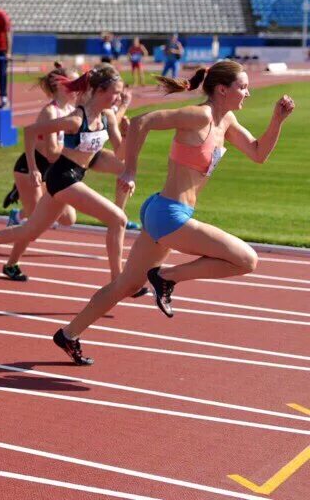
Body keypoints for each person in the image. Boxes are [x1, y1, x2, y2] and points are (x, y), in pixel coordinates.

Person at [52, 61, 295, 365]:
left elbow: (259, 153)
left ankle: (69, 334)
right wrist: (128, 170)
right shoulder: (200, 115)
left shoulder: (226, 121)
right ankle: (166, 278)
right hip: (169, 215)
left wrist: (278, 120)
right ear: (222, 90)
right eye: (242, 87)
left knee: (126, 285)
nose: (247, 92)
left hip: (164, 212)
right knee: (247, 259)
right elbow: (141, 122)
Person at [0, 64, 140, 284]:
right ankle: (118, 280)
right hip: (62, 177)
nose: (119, 98)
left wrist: (127, 135)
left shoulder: (108, 117)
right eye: (116, 93)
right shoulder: (76, 120)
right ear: (100, 92)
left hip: (75, 175)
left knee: (29, 231)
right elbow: (31, 131)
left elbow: (120, 154)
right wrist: (33, 168)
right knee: (118, 219)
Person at [3, 64, 80, 228]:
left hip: (53, 171)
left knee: (68, 219)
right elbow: (52, 153)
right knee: (38, 220)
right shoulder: (50, 113)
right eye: (75, 84)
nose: (79, 88)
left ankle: (17, 214)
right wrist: (78, 151)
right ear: (61, 85)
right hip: (32, 168)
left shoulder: (73, 110)